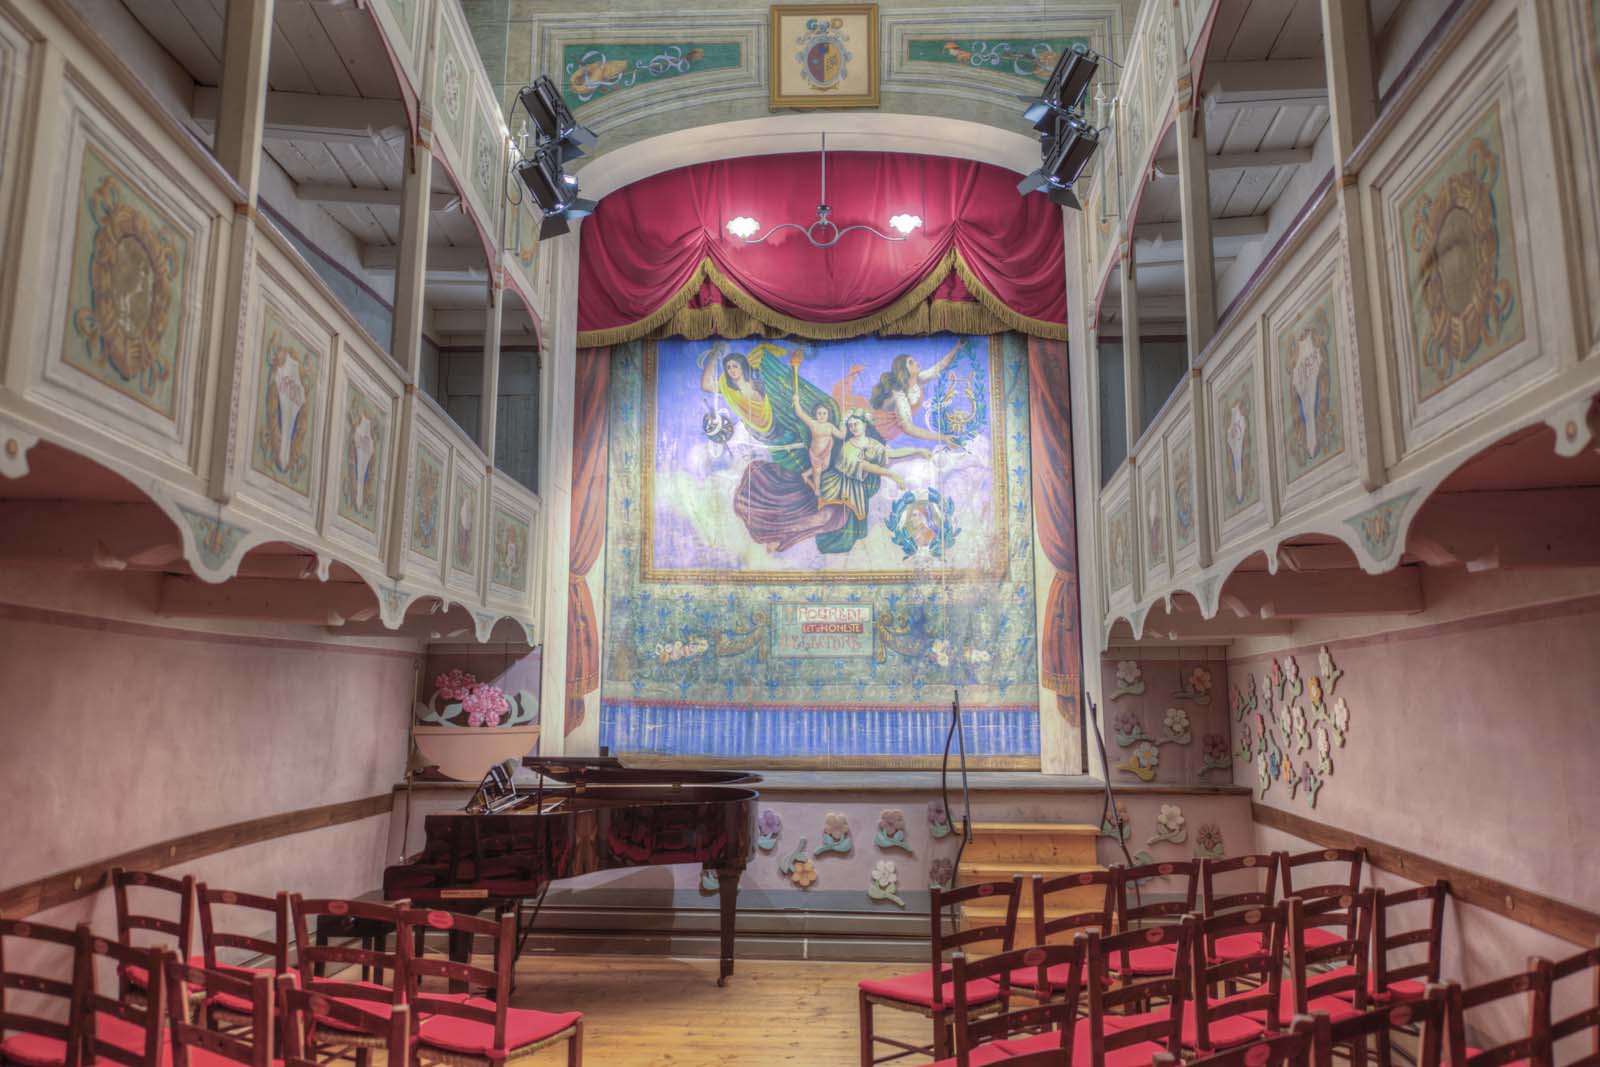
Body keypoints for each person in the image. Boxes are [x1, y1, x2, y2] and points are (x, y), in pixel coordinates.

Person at [791, 367, 845, 496]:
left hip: (826, 452)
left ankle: (805, 474)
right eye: (819, 413)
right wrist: (796, 401)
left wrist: (843, 426)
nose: (821, 415)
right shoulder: (813, 423)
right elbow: (800, 413)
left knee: (825, 467)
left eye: (824, 413)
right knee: (818, 471)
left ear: (828, 415)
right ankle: (817, 489)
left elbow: (841, 435)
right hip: (815, 453)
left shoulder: (830, 426)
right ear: (816, 414)